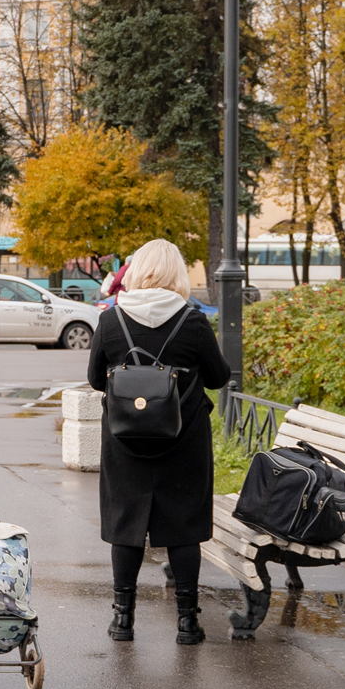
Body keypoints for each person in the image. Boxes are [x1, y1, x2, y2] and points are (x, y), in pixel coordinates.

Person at [85, 238, 231, 644]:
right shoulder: (193, 321)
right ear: (177, 274)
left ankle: (122, 620)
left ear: (137, 271)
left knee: (125, 525)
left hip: (124, 439)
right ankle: (187, 623)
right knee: (183, 527)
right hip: (183, 440)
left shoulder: (111, 321)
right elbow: (219, 378)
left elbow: (96, 378)